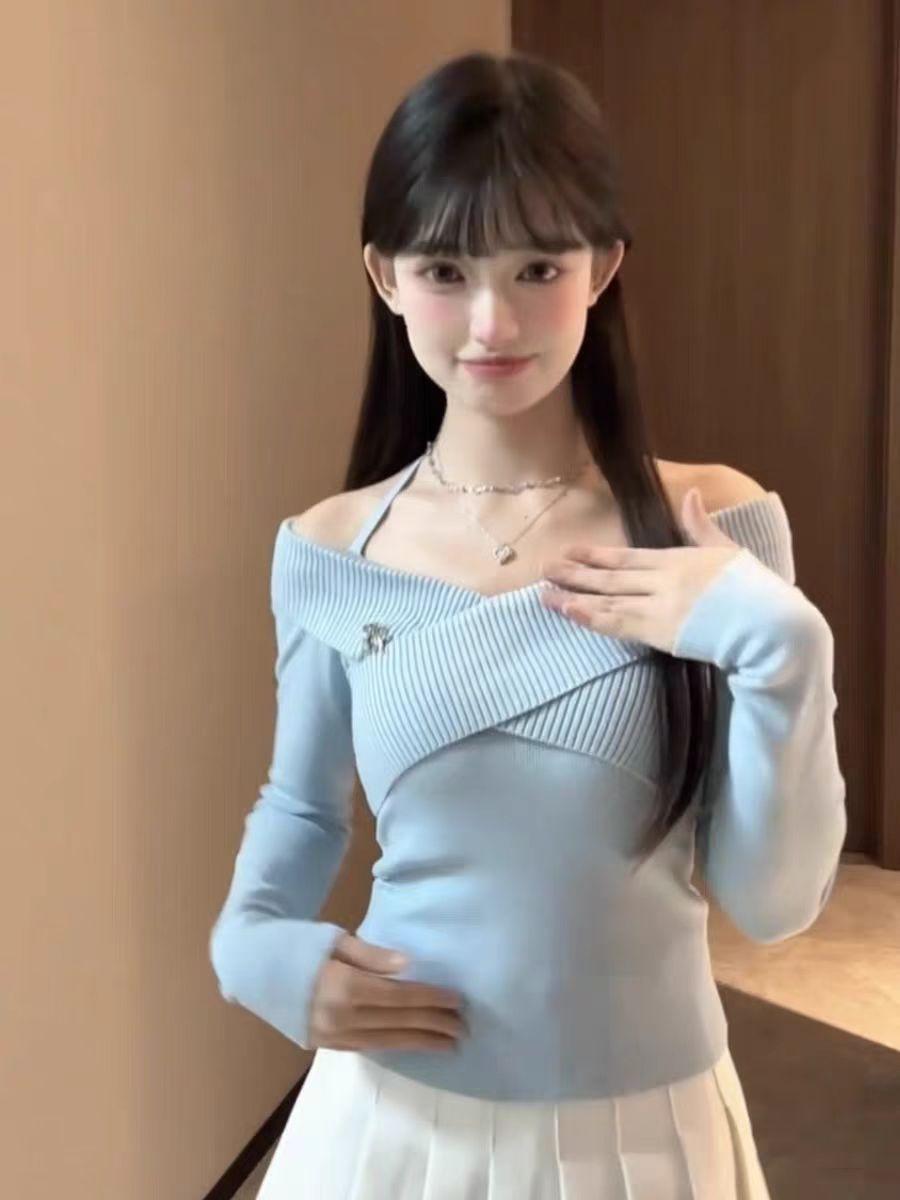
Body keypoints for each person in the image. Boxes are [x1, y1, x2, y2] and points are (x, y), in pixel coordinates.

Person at [209, 50, 846, 1199]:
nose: (491, 320)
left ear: (603, 268)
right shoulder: (328, 547)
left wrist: (786, 649)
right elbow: (301, 808)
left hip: (643, 1129)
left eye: (538, 266)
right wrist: (251, 945)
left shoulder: (714, 524)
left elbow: (771, 902)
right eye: (446, 269)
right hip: (390, 1122)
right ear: (385, 275)